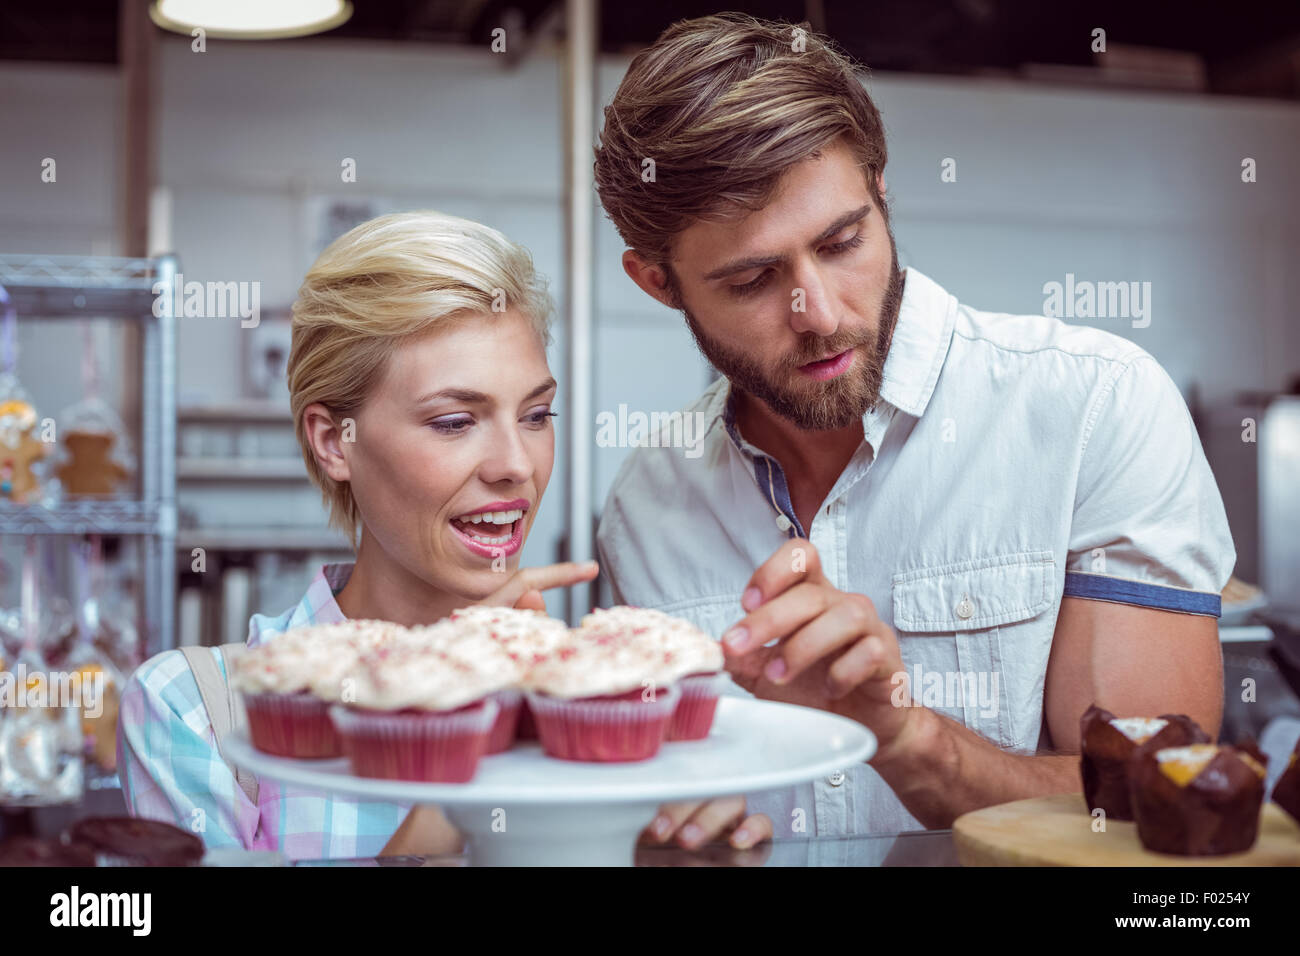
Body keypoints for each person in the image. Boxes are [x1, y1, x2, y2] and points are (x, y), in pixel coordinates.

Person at [593, 13, 1235, 844]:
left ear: (881, 187)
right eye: (751, 280)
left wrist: (905, 737)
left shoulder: (1096, 410)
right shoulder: (647, 503)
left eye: (842, 241)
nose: (818, 314)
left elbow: (1151, 820)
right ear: (658, 283)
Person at [117, 211, 756, 860]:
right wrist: (451, 801)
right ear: (335, 441)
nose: (515, 464)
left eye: (537, 415)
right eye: (454, 422)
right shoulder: (195, 709)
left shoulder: (593, 707)